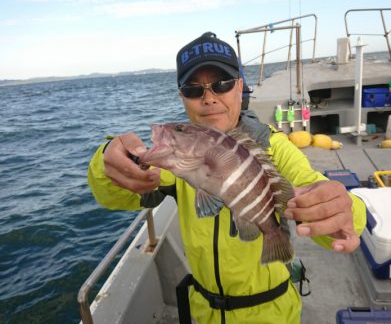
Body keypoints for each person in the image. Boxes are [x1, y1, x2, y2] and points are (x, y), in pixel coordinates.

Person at [88, 32, 366, 324]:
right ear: (182, 96)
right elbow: (115, 195)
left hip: (273, 315)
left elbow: (319, 195)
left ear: (240, 87)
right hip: (204, 313)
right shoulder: (175, 160)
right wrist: (109, 159)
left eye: (222, 84)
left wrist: (342, 207)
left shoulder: (275, 148)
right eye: (194, 89)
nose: (209, 98)